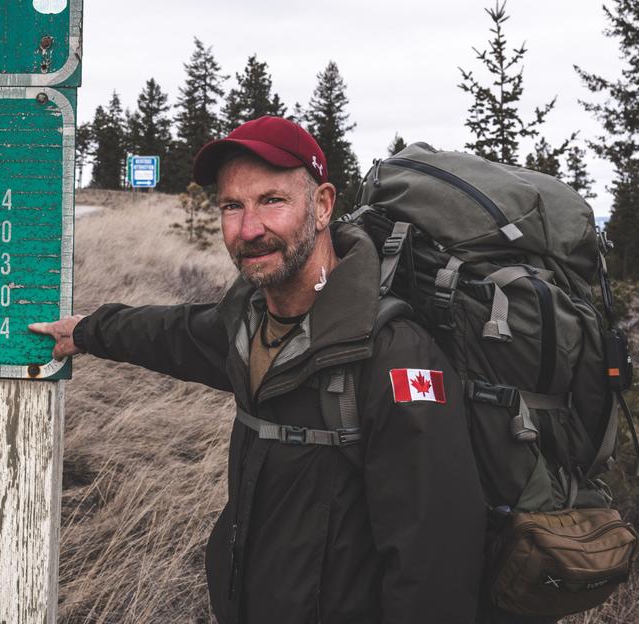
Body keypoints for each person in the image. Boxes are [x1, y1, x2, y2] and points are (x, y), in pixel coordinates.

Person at [30, 116, 487, 624]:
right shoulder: (248, 321)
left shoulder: (395, 356)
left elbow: (435, 568)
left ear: (322, 206)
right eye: (232, 206)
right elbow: (171, 334)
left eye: (272, 200)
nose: (249, 229)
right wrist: (88, 331)